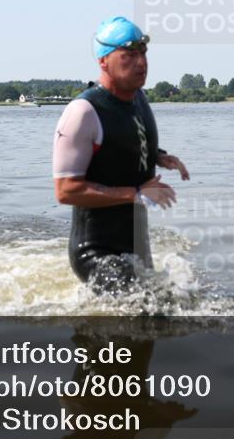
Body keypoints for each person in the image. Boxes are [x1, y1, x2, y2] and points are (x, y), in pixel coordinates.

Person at [53, 16, 190, 291]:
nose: (141, 62)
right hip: (95, 251)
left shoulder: (138, 98)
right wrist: (136, 193)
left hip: (136, 245)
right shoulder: (83, 112)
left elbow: (119, 144)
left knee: (161, 317)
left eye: (143, 53)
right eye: (129, 55)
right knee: (150, 314)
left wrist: (156, 155)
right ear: (103, 61)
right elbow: (66, 190)